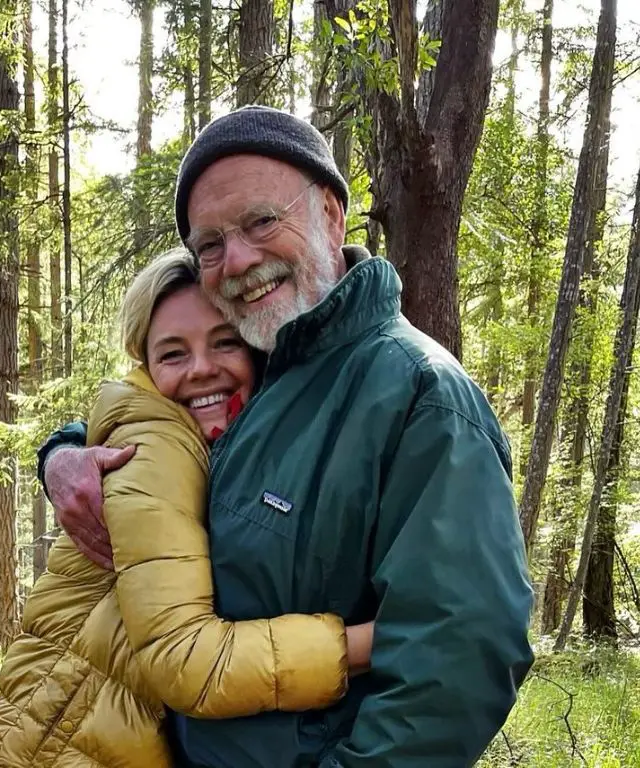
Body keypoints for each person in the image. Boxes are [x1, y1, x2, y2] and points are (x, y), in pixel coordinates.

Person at [39, 106, 535, 767]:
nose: (237, 259)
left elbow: (454, 664)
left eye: (261, 221)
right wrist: (63, 452)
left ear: (331, 214)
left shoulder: (419, 396)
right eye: (209, 244)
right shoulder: (262, 361)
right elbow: (151, 414)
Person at [0, 248, 374, 768]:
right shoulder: (157, 447)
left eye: (224, 342)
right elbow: (188, 661)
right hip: (67, 742)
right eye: (172, 354)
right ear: (144, 362)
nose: (202, 371)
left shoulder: (229, 443)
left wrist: (62, 448)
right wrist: (380, 641)